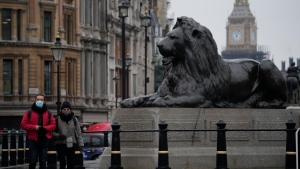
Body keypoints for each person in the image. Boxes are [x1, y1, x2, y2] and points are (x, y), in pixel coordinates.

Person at [21, 94, 56, 169]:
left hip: (44, 139)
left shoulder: (49, 113)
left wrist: (45, 128)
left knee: (43, 161)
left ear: (44, 101)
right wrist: (34, 127)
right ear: (35, 100)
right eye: (38, 99)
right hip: (33, 140)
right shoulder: (29, 112)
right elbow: (23, 124)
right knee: (33, 160)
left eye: (41, 100)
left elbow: (53, 125)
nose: (39, 101)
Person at [53, 101, 84, 169]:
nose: (66, 111)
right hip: (60, 144)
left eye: (68, 109)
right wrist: (58, 136)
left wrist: (81, 145)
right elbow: (52, 132)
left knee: (70, 163)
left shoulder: (74, 119)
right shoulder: (57, 120)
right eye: (64, 109)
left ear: (70, 110)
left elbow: (79, 133)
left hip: (71, 144)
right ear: (61, 110)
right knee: (62, 162)